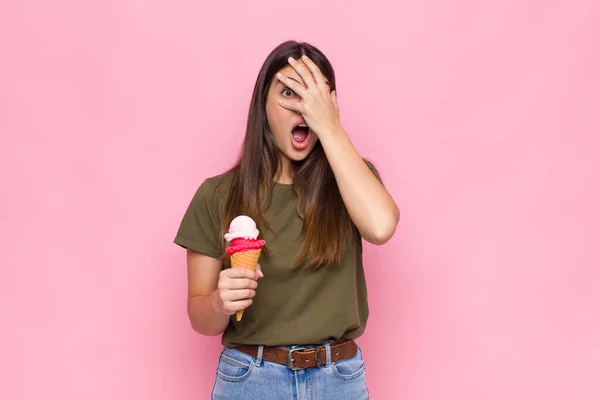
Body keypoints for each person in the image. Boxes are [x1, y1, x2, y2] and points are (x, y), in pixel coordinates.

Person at [173, 40, 399, 400]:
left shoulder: (353, 180)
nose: (303, 108)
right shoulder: (216, 195)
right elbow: (200, 318)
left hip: (338, 380)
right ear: (263, 103)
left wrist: (330, 127)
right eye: (289, 92)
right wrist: (220, 302)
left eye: (316, 96)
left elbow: (381, 226)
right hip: (250, 381)